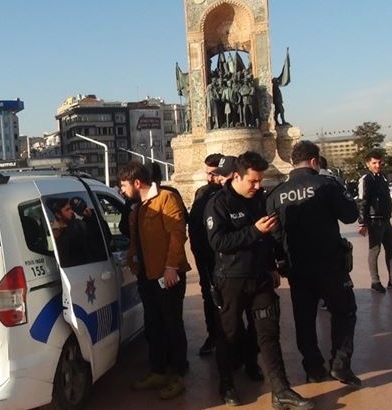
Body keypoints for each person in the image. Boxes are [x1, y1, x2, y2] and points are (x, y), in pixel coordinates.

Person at [205, 151, 312, 409]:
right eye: (252, 181)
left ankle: (281, 389)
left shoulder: (260, 199)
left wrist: (274, 264)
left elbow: (270, 236)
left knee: (268, 333)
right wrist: (254, 231)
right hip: (231, 280)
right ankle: (227, 383)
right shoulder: (218, 204)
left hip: (260, 278)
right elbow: (219, 242)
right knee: (228, 334)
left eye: (260, 181)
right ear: (237, 176)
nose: (257, 186)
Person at [267, 141, 361, 388]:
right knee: (344, 312)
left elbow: (274, 234)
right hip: (330, 264)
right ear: (314, 161)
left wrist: (282, 260)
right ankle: (340, 365)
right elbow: (350, 215)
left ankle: (313, 368)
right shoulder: (326, 184)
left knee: (304, 319)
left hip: (297, 268)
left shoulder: (276, 194)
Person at [120, 161, 189, 400]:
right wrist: (132, 261)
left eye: (123, 184)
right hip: (147, 276)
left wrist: (171, 267)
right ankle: (158, 369)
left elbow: (177, 234)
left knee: (172, 324)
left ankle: (178, 373)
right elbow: (135, 241)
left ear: (137, 182)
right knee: (154, 324)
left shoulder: (166, 199)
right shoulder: (137, 208)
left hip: (167, 275)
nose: (121, 189)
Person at [358, 150, 392, 293]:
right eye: (374, 163)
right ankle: (375, 281)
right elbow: (362, 201)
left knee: (391, 249)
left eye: (380, 162)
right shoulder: (366, 179)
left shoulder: (382, 177)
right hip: (375, 220)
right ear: (368, 163)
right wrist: (363, 223)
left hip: (385, 219)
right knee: (374, 251)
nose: (377, 165)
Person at [188, 153, 224, 356]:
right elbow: (194, 225)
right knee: (209, 298)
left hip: (225, 259)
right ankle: (213, 336)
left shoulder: (228, 193)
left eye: (213, 174)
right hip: (204, 258)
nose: (208, 178)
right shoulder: (201, 193)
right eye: (207, 173)